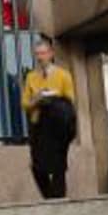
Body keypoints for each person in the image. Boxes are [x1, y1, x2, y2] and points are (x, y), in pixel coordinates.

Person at [21, 37, 77, 200]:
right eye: (37, 54)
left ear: (51, 54)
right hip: (39, 125)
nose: (40, 57)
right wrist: (36, 99)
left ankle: (58, 201)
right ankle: (51, 199)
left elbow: (70, 99)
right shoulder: (31, 77)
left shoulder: (63, 75)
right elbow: (25, 103)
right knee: (37, 166)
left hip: (57, 125)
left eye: (43, 53)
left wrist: (53, 97)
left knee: (59, 166)